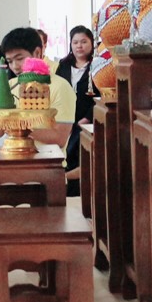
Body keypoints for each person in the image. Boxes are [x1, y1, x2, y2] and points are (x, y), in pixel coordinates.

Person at [1, 27, 77, 147]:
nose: (15, 66)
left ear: (37, 53)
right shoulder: (10, 85)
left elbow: (59, 138)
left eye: (19, 59)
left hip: (46, 158)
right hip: (12, 156)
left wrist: (18, 125)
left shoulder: (61, 86)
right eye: (10, 61)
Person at [55, 25, 98, 190]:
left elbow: (102, 96)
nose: (79, 46)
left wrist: (87, 117)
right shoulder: (64, 65)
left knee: (80, 156)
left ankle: (76, 188)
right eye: (75, 42)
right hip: (64, 119)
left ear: (92, 43)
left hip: (86, 121)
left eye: (84, 42)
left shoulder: (98, 66)